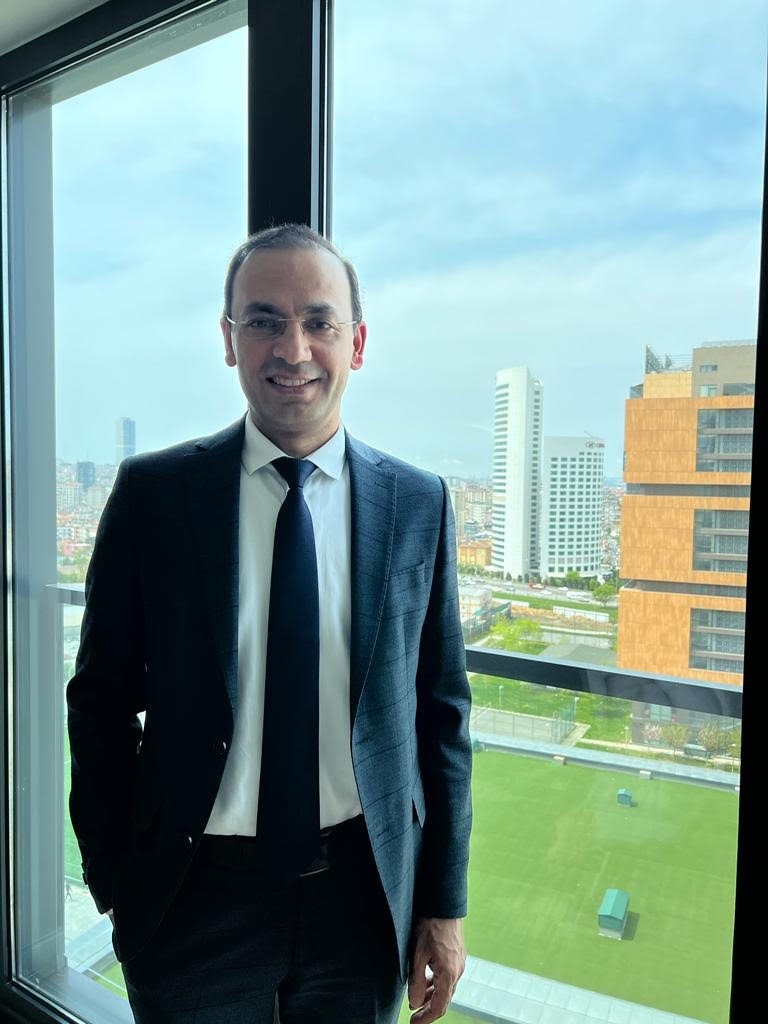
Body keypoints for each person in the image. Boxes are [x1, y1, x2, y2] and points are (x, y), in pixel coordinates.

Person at [67, 223, 473, 1024]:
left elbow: (443, 715)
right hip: (191, 898)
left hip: (364, 899)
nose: (293, 349)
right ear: (229, 340)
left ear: (356, 343)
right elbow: (101, 702)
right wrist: (115, 877)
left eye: (319, 321)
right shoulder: (154, 496)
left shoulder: (418, 503)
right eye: (263, 321)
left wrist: (444, 905)